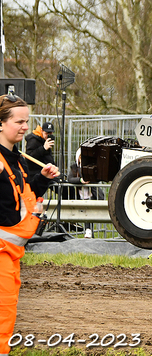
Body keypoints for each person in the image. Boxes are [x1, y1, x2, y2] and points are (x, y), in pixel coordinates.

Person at [0, 94, 59, 355]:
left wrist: (42, 180)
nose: (25, 126)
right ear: (1, 124)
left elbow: (23, 195)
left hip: (12, 254)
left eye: (27, 121)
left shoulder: (18, 157)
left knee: (7, 314)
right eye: (19, 121)